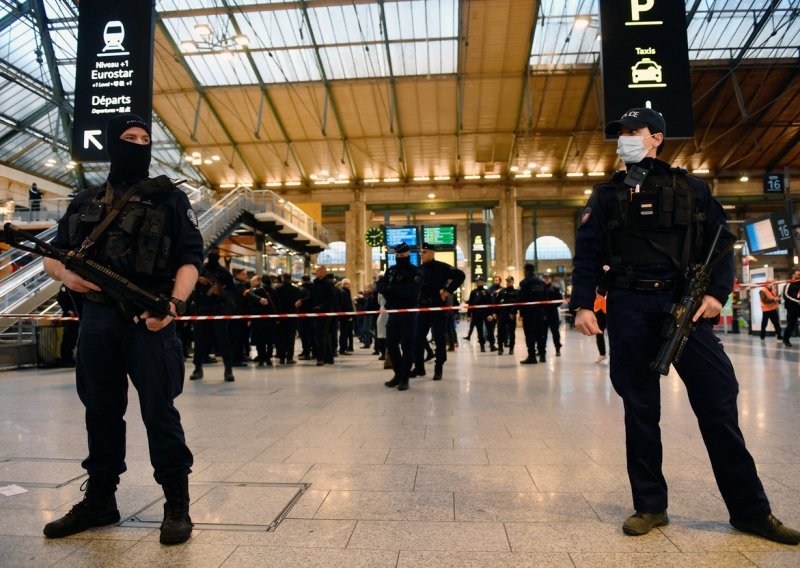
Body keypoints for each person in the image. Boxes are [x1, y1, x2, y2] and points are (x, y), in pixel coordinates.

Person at [571, 106, 800, 544]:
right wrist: (584, 304)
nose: (624, 138)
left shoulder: (692, 188)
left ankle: (751, 511)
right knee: (640, 410)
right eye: (620, 133)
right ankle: (650, 506)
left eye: (633, 131)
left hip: (685, 305)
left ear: (656, 137)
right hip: (628, 305)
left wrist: (717, 293)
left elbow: (722, 244)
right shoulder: (605, 196)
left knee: (718, 403)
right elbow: (585, 254)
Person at [42, 113, 201, 545]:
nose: (138, 143)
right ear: (113, 144)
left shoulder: (170, 200)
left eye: (145, 138)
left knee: (159, 412)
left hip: (149, 321)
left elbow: (190, 258)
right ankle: (100, 501)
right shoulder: (85, 199)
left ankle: (176, 503)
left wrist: (174, 304)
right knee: (101, 412)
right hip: (96, 320)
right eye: (130, 138)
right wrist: (66, 276)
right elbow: (52, 255)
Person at [412, 242, 465, 380]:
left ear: (432, 253)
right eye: (421, 252)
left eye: (424, 252)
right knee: (418, 338)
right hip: (423, 307)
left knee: (439, 338)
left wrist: (447, 291)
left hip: (437, 306)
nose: (422, 255)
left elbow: (461, 276)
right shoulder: (418, 269)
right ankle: (419, 368)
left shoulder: (442, 267)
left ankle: (438, 368)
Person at [376, 243, 422, 391]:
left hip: (409, 313)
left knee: (407, 346)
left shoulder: (415, 271)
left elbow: (410, 292)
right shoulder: (391, 270)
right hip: (394, 312)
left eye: (402, 256)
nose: (399, 258)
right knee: (391, 344)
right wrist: (392, 290)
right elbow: (380, 286)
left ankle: (405, 378)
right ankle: (398, 373)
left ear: (408, 255)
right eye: (397, 256)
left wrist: (391, 289)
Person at [190, 247, 236, 382]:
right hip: (202, 309)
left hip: (218, 310)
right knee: (200, 340)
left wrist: (221, 292)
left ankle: (228, 369)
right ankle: (197, 368)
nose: (214, 255)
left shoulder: (224, 273)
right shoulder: (201, 270)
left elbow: (233, 291)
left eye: (216, 253)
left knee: (223, 341)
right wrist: (198, 279)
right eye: (212, 253)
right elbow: (188, 282)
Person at [517, 264, 547, 364]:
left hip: (528, 313)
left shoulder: (524, 282)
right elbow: (545, 298)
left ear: (525, 270)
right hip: (540, 311)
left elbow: (521, 298)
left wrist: (515, 311)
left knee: (530, 335)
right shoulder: (541, 283)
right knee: (540, 334)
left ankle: (532, 356)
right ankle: (542, 355)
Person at [311, 265, 337, 366]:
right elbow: (312, 296)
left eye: (318, 270)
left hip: (325, 313)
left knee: (321, 336)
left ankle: (321, 358)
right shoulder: (315, 283)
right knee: (324, 335)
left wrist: (321, 306)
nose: (316, 272)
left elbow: (331, 299)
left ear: (323, 272)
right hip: (316, 312)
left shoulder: (328, 284)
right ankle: (329, 358)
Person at [275, 272, 302, 364]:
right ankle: (290, 357)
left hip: (281, 316)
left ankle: (282, 358)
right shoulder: (296, 289)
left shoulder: (277, 289)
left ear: (282, 278)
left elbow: (275, 303)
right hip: (292, 316)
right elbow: (298, 303)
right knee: (290, 337)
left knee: (281, 337)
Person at [56, 284, 82, 366]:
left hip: (76, 316)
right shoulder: (65, 286)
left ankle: (70, 358)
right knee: (68, 338)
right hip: (69, 317)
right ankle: (66, 359)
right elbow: (60, 298)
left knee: (73, 338)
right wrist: (68, 309)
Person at [466, 277, 495, 352]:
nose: (478, 283)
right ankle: (482, 346)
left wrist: (491, 314)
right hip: (477, 314)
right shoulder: (473, 292)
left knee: (490, 329)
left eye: (479, 281)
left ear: (483, 282)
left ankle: (492, 345)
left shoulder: (487, 291)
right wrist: (469, 315)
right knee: (479, 330)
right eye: (477, 282)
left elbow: (491, 303)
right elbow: (470, 304)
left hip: (487, 314)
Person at [495, 276, 518, 355]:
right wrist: (494, 312)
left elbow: (517, 304)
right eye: (507, 281)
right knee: (500, 331)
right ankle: (500, 348)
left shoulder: (516, 292)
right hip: (502, 314)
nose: (508, 283)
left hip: (511, 315)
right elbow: (496, 302)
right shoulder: (502, 291)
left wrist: (514, 313)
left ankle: (511, 348)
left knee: (512, 332)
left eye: (510, 281)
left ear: (513, 282)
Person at [542, 274, 563, 356]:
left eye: (548, 278)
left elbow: (560, 300)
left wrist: (553, 306)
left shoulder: (555, 289)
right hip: (543, 314)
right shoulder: (541, 289)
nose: (546, 279)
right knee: (543, 333)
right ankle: (542, 349)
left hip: (553, 313)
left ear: (550, 279)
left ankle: (557, 349)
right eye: (545, 278)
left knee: (555, 332)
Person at [782, 270, 800, 347]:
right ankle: (786, 339)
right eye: (798, 273)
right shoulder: (788, 284)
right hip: (792, 308)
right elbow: (785, 296)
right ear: (793, 274)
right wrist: (797, 301)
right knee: (791, 325)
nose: (799, 274)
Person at [338, 278, 355, 355]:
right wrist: (349, 316)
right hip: (345, 316)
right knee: (344, 333)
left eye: (348, 284)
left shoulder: (345, 292)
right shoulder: (344, 292)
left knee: (345, 333)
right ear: (343, 284)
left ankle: (344, 347)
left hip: (345, 316)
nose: (348, 285)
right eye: (346, 284)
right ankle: (343, 348)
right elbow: (346, 305)